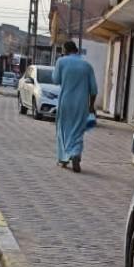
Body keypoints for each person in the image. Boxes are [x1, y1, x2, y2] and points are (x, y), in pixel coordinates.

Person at [52, 41, 97, 173]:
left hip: (65, 102)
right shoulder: (87, 65)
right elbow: (93, 90)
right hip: (81, 104)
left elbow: (55, 80)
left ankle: (64, 159)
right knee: (78, 131)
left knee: (63, 130)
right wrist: (91, 106)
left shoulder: (61, 61)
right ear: (76, 50)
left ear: (65, 49)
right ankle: (76, 153)